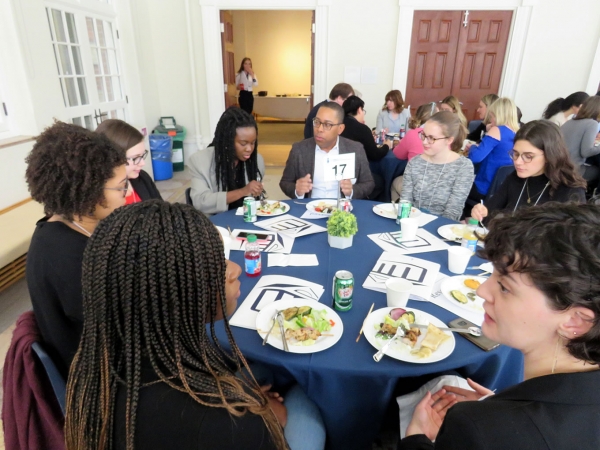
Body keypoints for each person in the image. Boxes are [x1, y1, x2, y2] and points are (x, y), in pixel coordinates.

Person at [65, 201, 326, 450]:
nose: (234, 269)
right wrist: (264, 414)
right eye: (213, 265)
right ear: (172, 296)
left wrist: (243, 398)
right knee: (306, 395)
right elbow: (240, 429)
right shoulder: (218, 425)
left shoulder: (101, 364)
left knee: (262, 372)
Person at [399, 202, 600, 449]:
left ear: (575, 321)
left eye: (505, 287)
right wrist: (499, 405)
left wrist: (415, 438)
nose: (483, 290)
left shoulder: (478, 429)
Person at [25, 121, 127, 377]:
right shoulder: (72, 259)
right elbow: (129, 329)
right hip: (101, 381)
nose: (127, 193)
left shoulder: (58, 226)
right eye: (121, 186)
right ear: (91, 191)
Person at [471, 120, 586, 222]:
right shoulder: (515, 177)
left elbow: (573, 241)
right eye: (515, 154)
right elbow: (490, 210)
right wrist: (481, 211)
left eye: (528, 156)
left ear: (549, 155)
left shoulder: (570, 190)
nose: (518, 162)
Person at [280, 102, 375, 199]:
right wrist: (297, 190)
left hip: (342, 209)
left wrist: (352, 191)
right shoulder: (299, 149)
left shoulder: (355, 149)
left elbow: (368, 183)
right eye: (317, 122)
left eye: (327, 124)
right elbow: (285, 182)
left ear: (340, 129)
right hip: (309, 208)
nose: (319, 129)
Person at [188, 107, 265, 215]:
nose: (249, 149)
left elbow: (258, 202)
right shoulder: (200, 161)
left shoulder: (257, 161)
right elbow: (200, 202)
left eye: (253, 143)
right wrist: (242, 191)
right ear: (227, 141)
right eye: (243, 143)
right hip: (215, 225)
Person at [400, 111, 474, 221]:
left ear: (449, 140)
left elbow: (453, 211)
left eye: (432, 138)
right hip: (412, 224)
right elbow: (405, 202)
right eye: (423, 135)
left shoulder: (463, 167)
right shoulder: (415, 163)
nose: (424, 142)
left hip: (442, 229)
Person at [465, 97, 519, 202]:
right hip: (500, 189)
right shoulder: (517, 132)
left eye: (492, 116)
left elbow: (475, 157)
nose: (490, 120)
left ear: (498, 115)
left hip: (484, 187)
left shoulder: (497, 130)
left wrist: (472, 147)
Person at [96, 119, 162, 203]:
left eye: (142, 155)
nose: (142, 163)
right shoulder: (97, 198)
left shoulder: (142, 178)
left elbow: (162, 210)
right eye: (135, 158)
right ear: (112, 158)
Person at [341, 95, 390, 200]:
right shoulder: (362, 129)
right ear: (359, 110)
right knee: (380, 181)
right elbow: (375, 155)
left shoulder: (339, 124)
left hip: (338, 170)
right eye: (363, 110)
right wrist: (386, 146)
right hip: (354, 173)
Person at [560, 95, 600, 183]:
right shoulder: (592, 124)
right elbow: (586, 152)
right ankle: (593, 195)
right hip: (573, 169)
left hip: (558, 167)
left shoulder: (570, 122)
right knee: (597, 171)